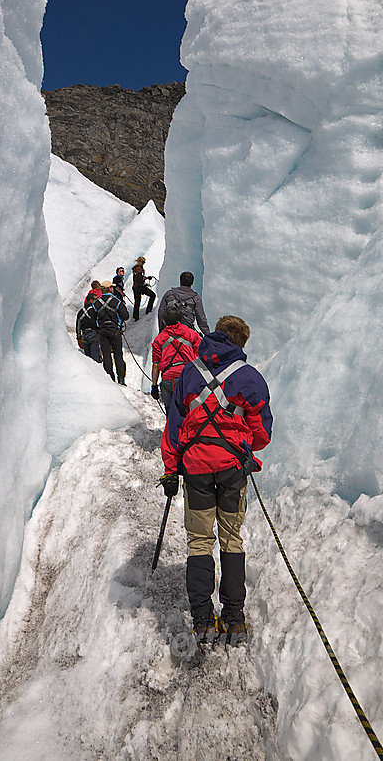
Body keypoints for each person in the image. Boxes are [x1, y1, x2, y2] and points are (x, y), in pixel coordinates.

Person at [160, 315, 272, 649]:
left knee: (199, 542)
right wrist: (242, 442)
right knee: (232, 539)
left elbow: (175, 425)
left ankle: (202, 620)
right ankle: (235, 619)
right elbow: (262, 433)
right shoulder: (250, 378)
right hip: (232, 469)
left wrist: (170, 468)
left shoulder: (189, 374)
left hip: (195, 467)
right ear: (241, 344)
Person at [150, 307, 201, 415]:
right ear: (180, 318)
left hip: (169, 379)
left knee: (171, 413)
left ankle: (172, 430)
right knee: (188, 412)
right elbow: (201, 352)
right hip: (187, 377)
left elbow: (156, 365)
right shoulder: (191, 333)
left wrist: (154, 385)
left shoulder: (159, 339)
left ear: (165, 320)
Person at [90, 280, 129, 385]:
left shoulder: (96, 303)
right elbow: (126, 316)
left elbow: (92, 318)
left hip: (102, 332)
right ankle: (121, 379)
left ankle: (110, 379)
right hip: (115, 331)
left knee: (106, 355)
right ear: (109, 289)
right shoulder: (116, 301)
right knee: (118, 355)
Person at [76, 293, 101, 363]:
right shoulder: (95, 311)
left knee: (88, 361)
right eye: (95, 299)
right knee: (95, 361)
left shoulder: (80, 312)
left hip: (84, 337)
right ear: (91, 300)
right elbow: (98, 323)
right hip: (93, 335)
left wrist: (78, 338)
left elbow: (78, 326)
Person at [132, 256, 156, 321]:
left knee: (137, 302)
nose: (143, 263)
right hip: (139, 287)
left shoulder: (136, 268)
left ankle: (135, 317)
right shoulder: (139, 268)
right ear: (139, 261)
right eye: (143, 262)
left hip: (135, 287)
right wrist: (144, 281)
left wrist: (146, 278)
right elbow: (139, 278)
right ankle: (148, 311)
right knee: (152, 295)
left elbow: (139, 277)